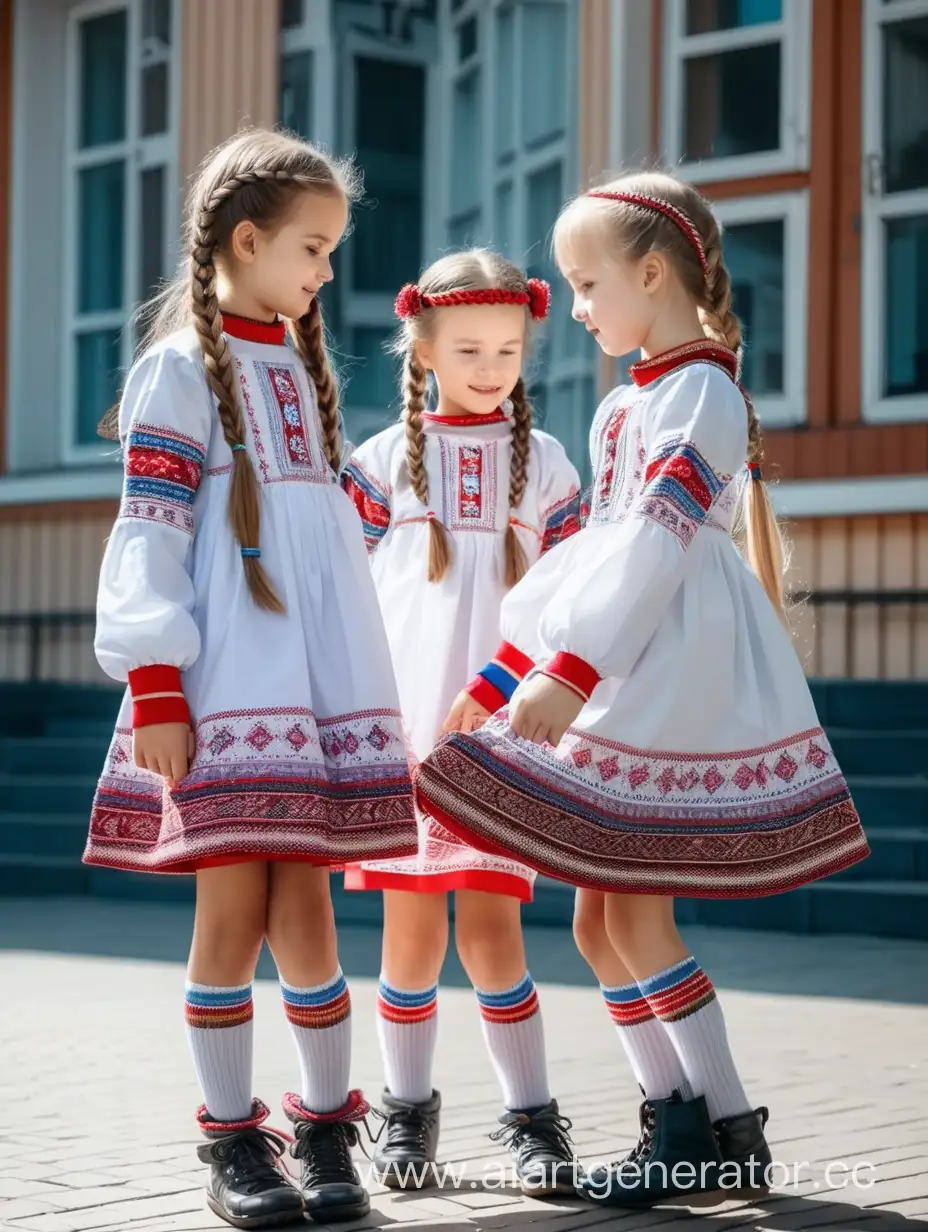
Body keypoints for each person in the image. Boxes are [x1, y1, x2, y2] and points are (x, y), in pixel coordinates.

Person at [415, 173, 870, 1207]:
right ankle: (681, 1114)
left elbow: (653, 553)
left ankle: (718, 1123)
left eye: (585, 281)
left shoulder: (700, 392)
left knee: (638, 915)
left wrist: (569, 675)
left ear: (653, 273)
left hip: (658, 668)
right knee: (594, 922)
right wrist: (507, 671)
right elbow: (582, 564)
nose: (573, 305)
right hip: (618, 658)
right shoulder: (630, 398)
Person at [85, 128, 419, 1229]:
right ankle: (231, 1141)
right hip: (224, 686)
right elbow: (149, 532)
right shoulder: (176, 371)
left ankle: (326, 1128)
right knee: (231, 905)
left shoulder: (302, 368)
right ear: (245, 239)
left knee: (309, 906)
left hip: (314, 692)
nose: (327, 271)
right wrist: (158, 689)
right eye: (313, 248)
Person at [340, 250, 583, 1194]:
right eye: (471, 347)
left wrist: (503, 681)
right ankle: (405, 1117)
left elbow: (568, 602)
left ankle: (531, 1119)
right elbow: (342, 596)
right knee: (408, 936)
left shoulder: (550, 465)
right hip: (406, 734)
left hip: (500, 736)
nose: (491, 366)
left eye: (510, 349)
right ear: (424, 346)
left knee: (493, 935)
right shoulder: (379, 462)